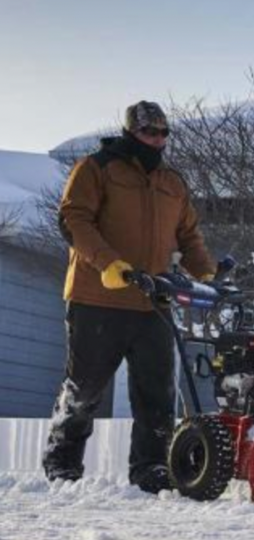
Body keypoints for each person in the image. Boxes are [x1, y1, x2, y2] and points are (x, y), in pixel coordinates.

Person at [42, 100, 216, 493]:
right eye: (148, 133)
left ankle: (151, 467)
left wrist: (204, 271)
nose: (157, 140)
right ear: (130, 133)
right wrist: (108, 262)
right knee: (85, 388)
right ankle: (63, 464)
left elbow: (188, 235)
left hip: (153, 301)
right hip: (98, 297)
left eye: (163, 133)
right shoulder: (97, 168)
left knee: (157, 392)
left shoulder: (172, 182)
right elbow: (73, 218)